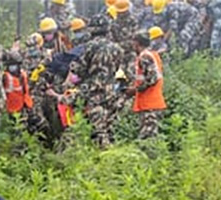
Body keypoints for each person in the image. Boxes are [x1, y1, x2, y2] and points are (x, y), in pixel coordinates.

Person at [71, 14, 125, 147]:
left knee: (97, 126)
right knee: (108, 125)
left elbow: (80, 69)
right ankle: (112, 154)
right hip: (111, 90)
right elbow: (118, 68)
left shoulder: (89, 47)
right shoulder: (117, 48)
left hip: (94, 90)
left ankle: (100, 154)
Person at [126, 31, 166, 139]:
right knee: (149, 136)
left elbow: (153, 78)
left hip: (150, 103)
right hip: (151, 102)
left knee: (148, 139)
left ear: (136, 43)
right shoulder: (153, 55)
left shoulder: (145, 57)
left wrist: (135, 90)